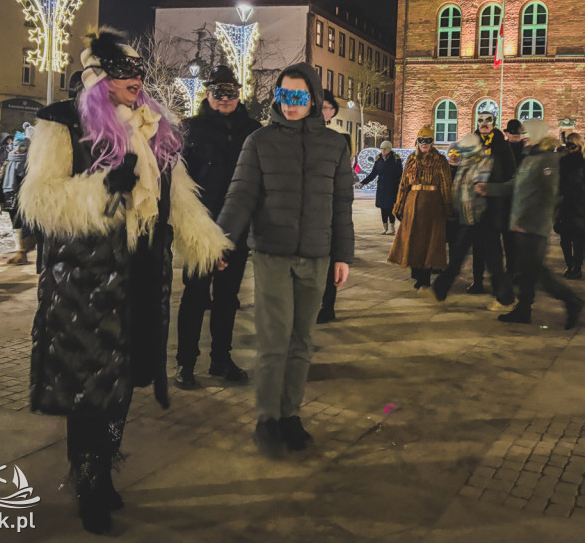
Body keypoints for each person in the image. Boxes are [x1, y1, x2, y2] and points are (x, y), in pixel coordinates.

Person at [20, 31, 231, 533]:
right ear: (98, 77)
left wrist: (209, 244)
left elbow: (178, 199)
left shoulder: (154, 127)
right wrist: (100, 191)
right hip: (85, 277)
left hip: (141, 269)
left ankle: (106, 463)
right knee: (90, 379)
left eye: (138, 73)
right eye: (122, 73)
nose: (135, 81)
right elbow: (39, 199)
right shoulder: (63, 122)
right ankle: (89, 476)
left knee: (127, 374)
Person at [217, 63, 354, 458]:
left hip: (316, 255)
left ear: (313, 100)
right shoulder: (259, 141)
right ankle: (267, 419)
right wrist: (223, 242)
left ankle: (290, 414)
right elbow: (240, 195)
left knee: (302, 341)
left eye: (298, 97)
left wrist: (342, 254)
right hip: (273, 254)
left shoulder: (335, 145)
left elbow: (341, 203)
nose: (290, 105)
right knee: (274, 341)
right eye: (284, 96)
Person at [175, 65, 261, 389]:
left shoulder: (252, 130)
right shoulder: (190, 129)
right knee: (195, 297)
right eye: (218, 92)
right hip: (201, 226)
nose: (225, 98)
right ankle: (186, 363)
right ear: (207, 94)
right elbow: (180, 182)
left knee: (227, 298)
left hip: (236, 227)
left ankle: (221, 360)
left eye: (231, 92)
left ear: (239, 94)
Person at [478, 119, 585, 327]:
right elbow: (515, 184)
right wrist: (489, 188)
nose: (524, 135)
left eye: (527, 132)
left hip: (533, 225)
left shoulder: (547, 159)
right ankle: (523, 309)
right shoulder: (530, 157)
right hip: (521, 223)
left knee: (536, 269)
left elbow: (548, 195)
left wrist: (526, 220)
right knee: (525, 270)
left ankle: (572, 301)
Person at [432, 111, 516, 309]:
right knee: (469, 254)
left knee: (490, 258)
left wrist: (493, 191)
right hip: (470, 212)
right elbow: (459, 164)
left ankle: (503, 295)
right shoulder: (472, 144)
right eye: (480, 120)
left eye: (488, 120)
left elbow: (508, 175)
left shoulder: (500, 146)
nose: (484, 123)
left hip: (487, 210)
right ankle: (453, 287)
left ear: (494, 123)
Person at [387, 125, 453, 289]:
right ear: (417, 141)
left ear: (432, 142)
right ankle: (416, 273)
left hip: (432, 204)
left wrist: (448, 206)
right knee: (413, 239)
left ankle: (424, 278)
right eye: (421, 140)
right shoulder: (411, 159)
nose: (424, 144)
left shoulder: (440, 160)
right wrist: (399, 205)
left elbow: (446, 185)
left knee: (428, 242)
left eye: (428, 140)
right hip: (412, 203)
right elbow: (403, 185)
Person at [318, 90, 353, 323]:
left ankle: (327, 305)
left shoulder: (338, 141)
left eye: (327, 108)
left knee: (331, 264)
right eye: (319, 106)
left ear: (332, 113)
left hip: (329, 212)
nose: (323, 111)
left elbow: (343, 188)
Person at [554, 133, 585, 279]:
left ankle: (577, 267)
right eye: (568, 145)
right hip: (565, 203)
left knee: (578, 239)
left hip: (581, 204)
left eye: (573, 145)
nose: (570, 149)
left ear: (579, 145)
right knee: (565, 238)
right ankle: (569, 264)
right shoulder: (563, 161)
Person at [0, 130, 36, 265]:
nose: (18, 150)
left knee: (27, 225)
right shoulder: (8, 161)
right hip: (11, 198)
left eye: (22, 147)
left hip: (28, 200)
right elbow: (0, 181)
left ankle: (24, 251)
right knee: (16, 225)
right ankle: (20, 252)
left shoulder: (32, 163)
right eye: (16, 146)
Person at [359, 139, 404, 235]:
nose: (383, 151)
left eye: (385, 149)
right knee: (383, 207)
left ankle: (391, 227)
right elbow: (373, 173)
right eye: (381, 149)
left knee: (391, 207)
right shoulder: (378, 159)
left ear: (389, 149)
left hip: (392, 187)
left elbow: (400, 174)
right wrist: (363, 183)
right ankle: (385, 227)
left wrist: (400, 185)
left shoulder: (396, 159)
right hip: (382, 187)